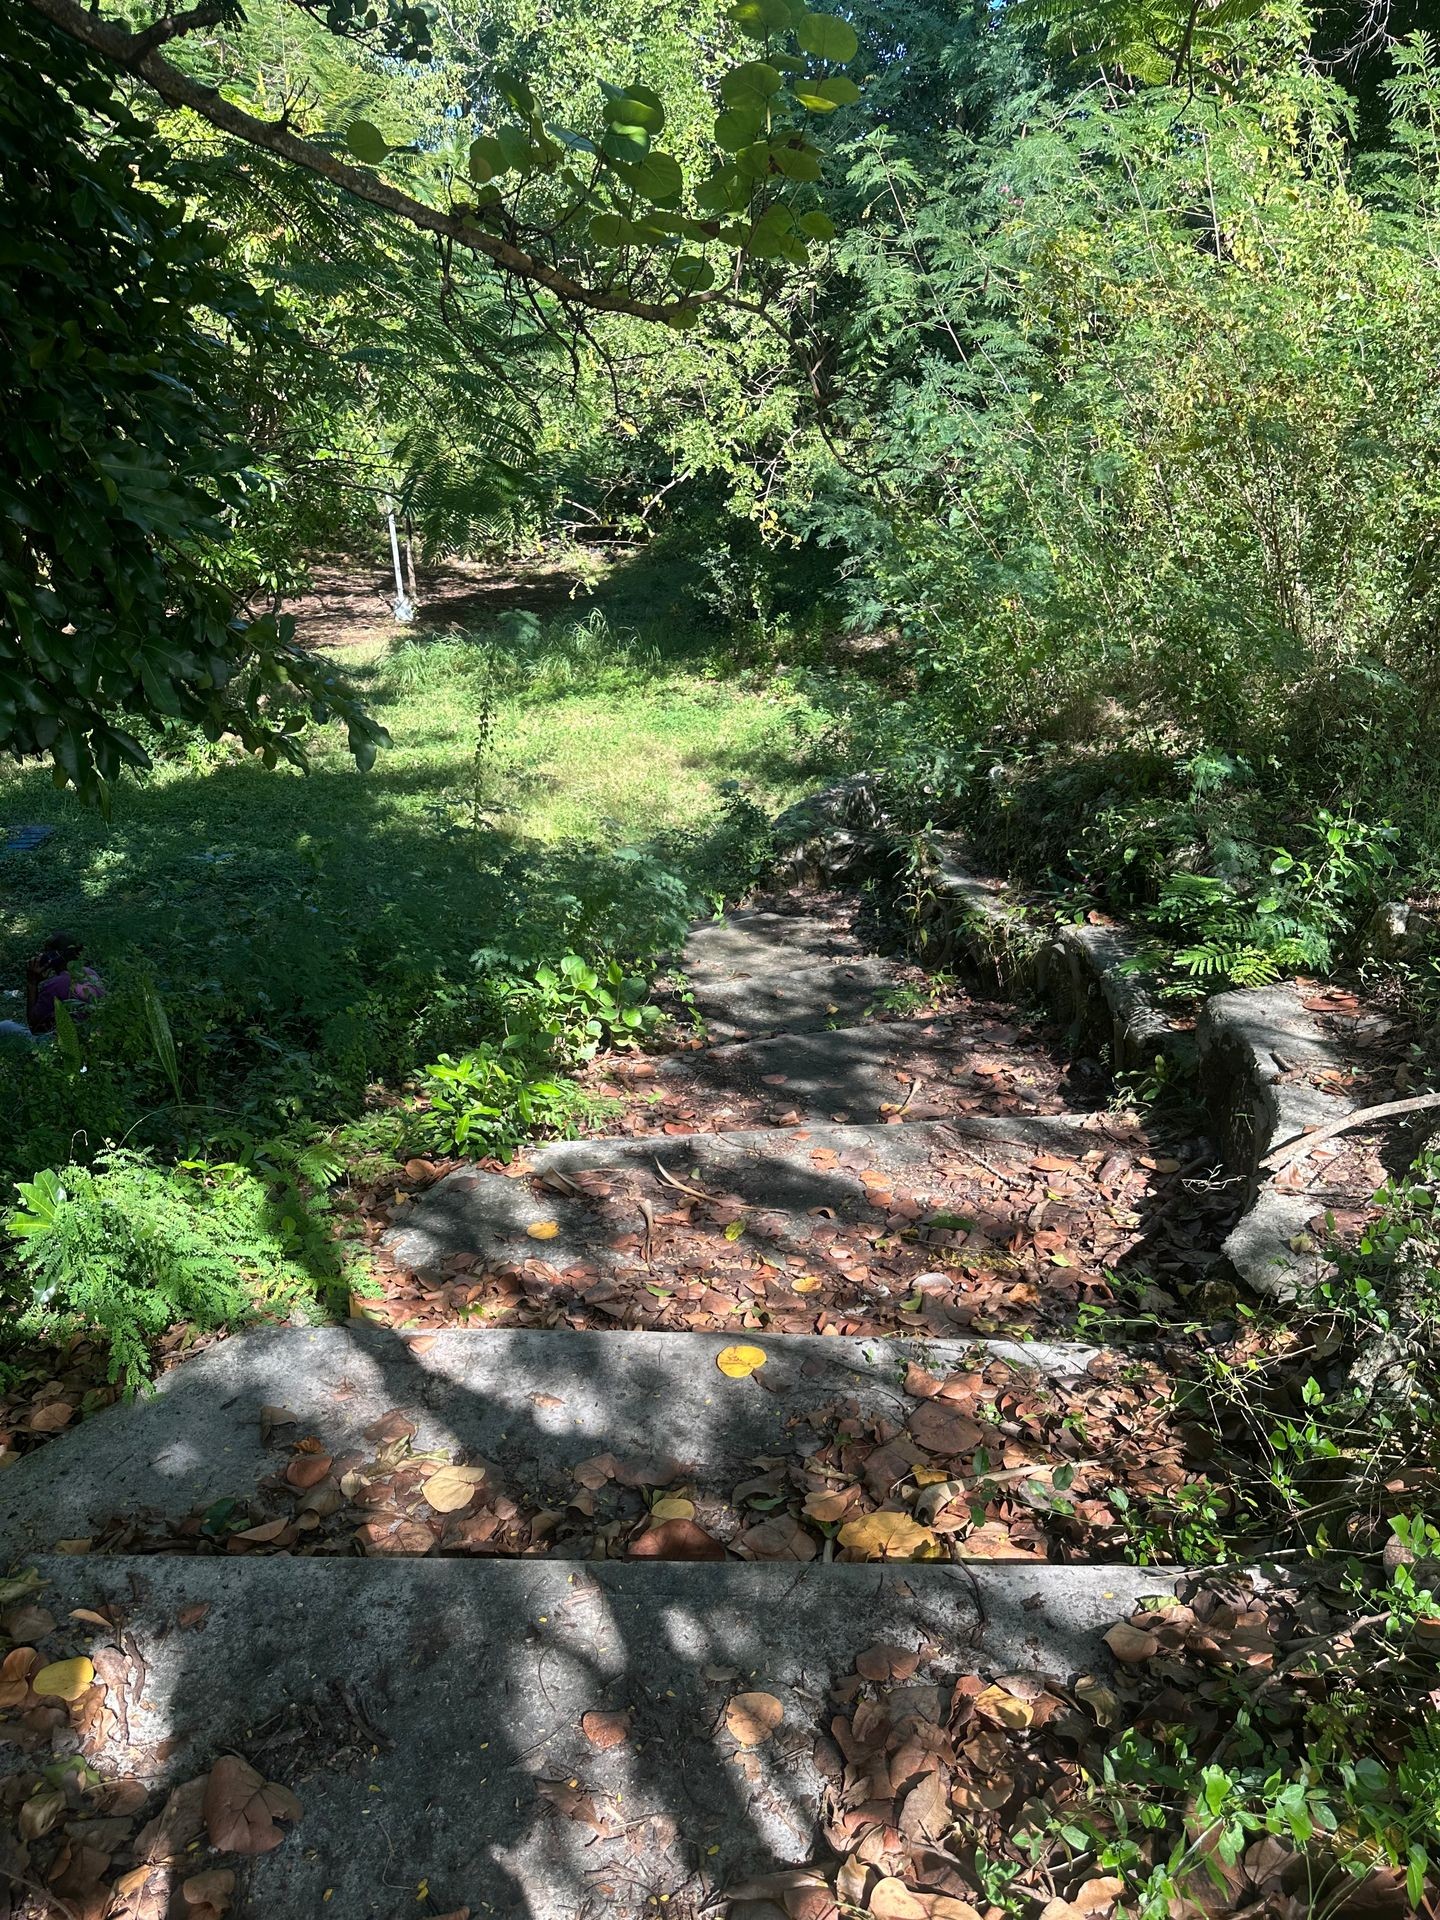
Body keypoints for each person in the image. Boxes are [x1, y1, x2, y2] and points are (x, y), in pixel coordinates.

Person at [24, 933, 104, 1034]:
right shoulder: (90, 972)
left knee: (5, 1026)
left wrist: (32, 983)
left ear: (54, 955)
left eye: (46, 951)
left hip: (67, 1042)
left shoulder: (56, 984)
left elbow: (34, 1027)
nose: (41, 955)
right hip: (93, 1036)